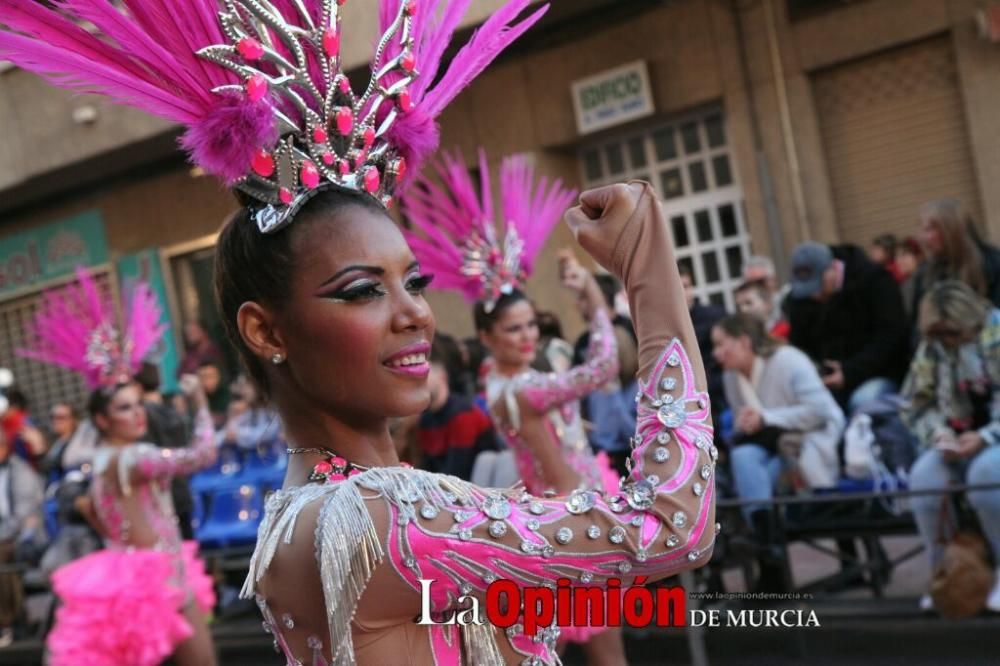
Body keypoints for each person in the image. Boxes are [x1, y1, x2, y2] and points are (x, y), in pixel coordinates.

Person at [16, 268, 218, 666]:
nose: (138, 415)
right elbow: (203, 455)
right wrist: (200, 404)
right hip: (160, 581)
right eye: (125, 408)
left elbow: (94, 510)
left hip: (125, 578)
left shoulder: (101, 460)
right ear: (103, 420)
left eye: (138, 404)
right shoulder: (133, 458)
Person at [712, 314, 845, 590]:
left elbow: (821, 412)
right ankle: (767, 545)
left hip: (810, 442)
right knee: (742, 458)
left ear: (744, 342)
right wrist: (746, 424)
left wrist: (766, 417)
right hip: (771, 449)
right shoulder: (731, 377)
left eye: (721, 344)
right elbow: (754, 426)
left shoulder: (788, 360)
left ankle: (767, 555)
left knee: (754, 476)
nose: (716, 353)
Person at [900, 281, 1000, 613]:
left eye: (954, 333)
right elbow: (914, 404)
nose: (948, 341)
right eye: (940, 334)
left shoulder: (996, 332)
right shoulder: (933, 347)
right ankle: (943, 572)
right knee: (924, 479)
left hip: (993, 436)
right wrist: (938, 435)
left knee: (985, 475)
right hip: (956, 437)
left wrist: (986, 437)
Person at [786, 241, 910, 414]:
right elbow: (800, 346)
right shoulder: (800, 300)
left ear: (832, 269)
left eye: (817, 286)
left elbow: (891, 337)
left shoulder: (875, 281)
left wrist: (850, 371)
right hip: (830, 381)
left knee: (862, 402)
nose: (814, 295)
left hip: (880, 374)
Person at [416, 342, 498, 481]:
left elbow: (458, 471)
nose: (417, 382)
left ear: (442, 376)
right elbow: (427, 466)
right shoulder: (426, 420)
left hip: (476, 490)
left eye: (423, 375)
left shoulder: (463, 414)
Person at [0, 425, 46, 647]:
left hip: (23, 535)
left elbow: (23, 516)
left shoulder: (21, 472)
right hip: (5, 533)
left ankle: (9, 621)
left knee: (3, 554)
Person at [914, 199, 1000, 312]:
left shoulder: (993, 265)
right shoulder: (926, 273)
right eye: (923, 230)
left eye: (929, 229)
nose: (922, 238)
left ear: (951, 229)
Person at [896, 236, 924, 318]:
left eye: (904, 255)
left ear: (919, 256)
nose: (898, 260)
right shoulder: (905, 283)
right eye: (897, 256)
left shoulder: (924, 280)